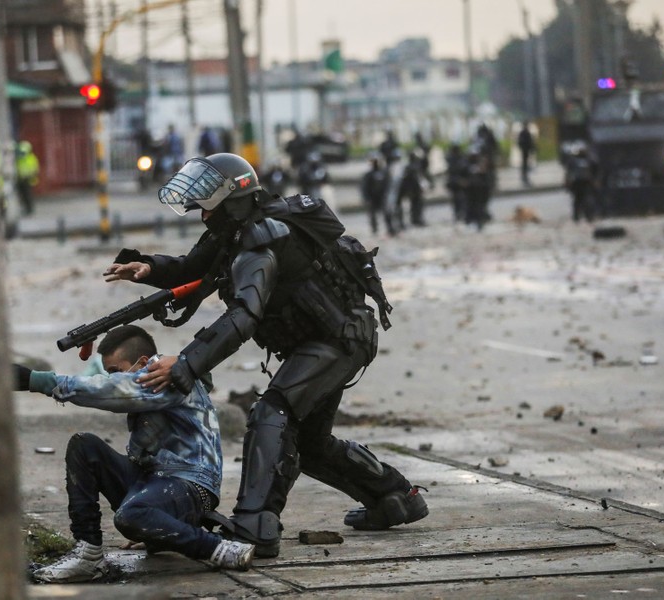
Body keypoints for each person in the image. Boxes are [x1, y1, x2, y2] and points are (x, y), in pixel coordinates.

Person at [102, 153, 428, 559]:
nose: (199, 210)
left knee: (271, 412)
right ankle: (396, 496)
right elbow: (194, 267)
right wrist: (149, 269)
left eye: (205, 200)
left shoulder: (262, 240)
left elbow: (243, 317)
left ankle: (255, 524)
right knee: (310, 443)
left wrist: (185, 364)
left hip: (336, 341)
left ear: (231, 197)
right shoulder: (235, 232)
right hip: (330, 337)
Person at [13, 324, 254, 583]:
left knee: (131, 515)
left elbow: (112, 390)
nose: (114, 378)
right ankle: (88, 555)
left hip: (191, 487)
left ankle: (218, 548)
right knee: (84, 446)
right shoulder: (160, 375)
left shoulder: (168, 375)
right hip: (154, 480)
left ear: (142, 362)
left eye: (116, 371)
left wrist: (37, 381)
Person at [564, 142, 598, 223]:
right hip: (579, 182)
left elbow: (595, 170)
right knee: (580, 199)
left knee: (583, 199)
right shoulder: (587, 159)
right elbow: (568, 172)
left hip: (583, 182)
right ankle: (581, 216)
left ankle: (585, 215)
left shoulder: (588, 159)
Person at [360, 155, 393, 235]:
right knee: (372, 214)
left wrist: (386, 195)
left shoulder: (384, 173)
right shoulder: (368, 174)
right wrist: (366, 198)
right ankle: (375, 229)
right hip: (372, 197)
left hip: (382, 197)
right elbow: (364, 187)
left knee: (386, 213)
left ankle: (390, 228)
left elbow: (387, 185)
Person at [398, 151, 428, 227]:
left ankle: (416, 220)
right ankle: (416, 220)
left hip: (415, 190)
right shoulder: (412, 167)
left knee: (416, 205)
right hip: (414, 190)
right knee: (416, 205)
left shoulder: (411, 167)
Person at [15, 140, 40, 215]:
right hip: (20, 179)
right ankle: (26, 208)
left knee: (27, 195)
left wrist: (30, 176)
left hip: (27, 179)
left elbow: (35, 169)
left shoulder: (31, 159)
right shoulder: (19, 159)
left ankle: (29, 209)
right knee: (22, 195)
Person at [445, 144, 468, 222]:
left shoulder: (461, 159)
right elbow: (451, 172)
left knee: (461, 199)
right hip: (455, 183)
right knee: (456, 200)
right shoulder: (451, 159)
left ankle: (461, 214)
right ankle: (458, 214)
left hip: (460, 183)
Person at [517, 122, 535, 186]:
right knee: (525, 165)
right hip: (524, 151)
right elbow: (521, 142)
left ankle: (525, 177)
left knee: (526, 164)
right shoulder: (524, 133)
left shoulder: (525, 133)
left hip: (526, 151)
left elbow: (530, 142)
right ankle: (524, 177)